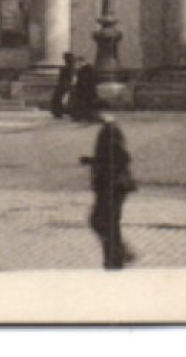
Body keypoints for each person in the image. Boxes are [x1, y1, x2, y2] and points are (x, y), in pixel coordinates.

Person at [80, 99, 137, 269]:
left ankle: (118, 255)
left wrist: (98, 164)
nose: (91, 117)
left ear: (100, 112)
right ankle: (115, 258)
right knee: (107, 222)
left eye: (93, 113)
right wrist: (92, 161)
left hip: (111, 185)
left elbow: (121, 156)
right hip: (111, 184)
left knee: (100, 221)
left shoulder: (110, 130)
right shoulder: (109, 129)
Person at [50, 52, 77, 119]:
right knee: (59, 96)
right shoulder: (68, 68)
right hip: (66, 84)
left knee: (60, 96)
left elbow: (69, 77)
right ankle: (59, 110)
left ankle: (60, 110)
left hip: (67, 84)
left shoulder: (69, 68)